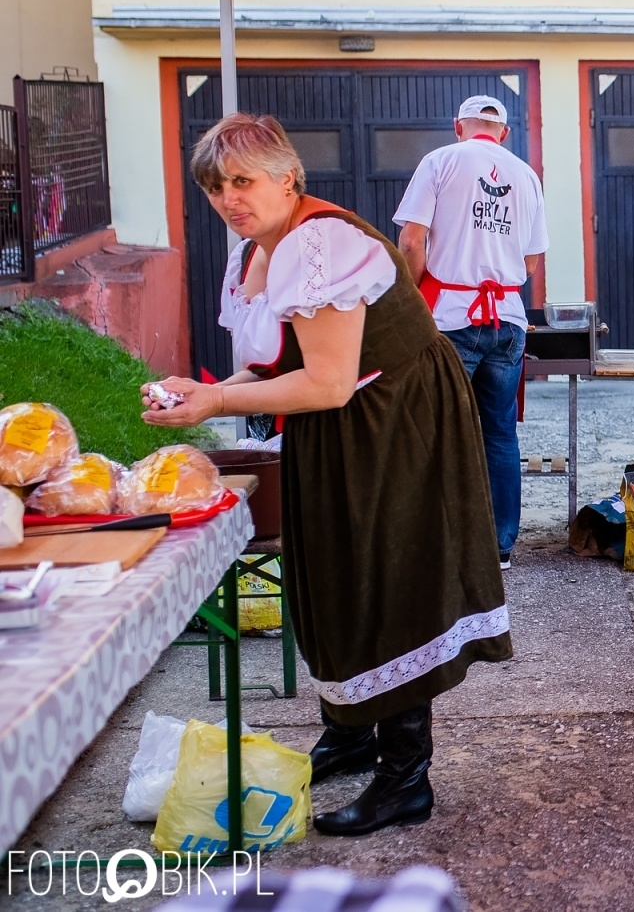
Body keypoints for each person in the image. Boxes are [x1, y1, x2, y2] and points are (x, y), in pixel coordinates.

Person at [144, 113, 512, 837]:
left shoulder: (322, 242)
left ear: (288, 177)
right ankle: (351, 731)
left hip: (393, 420)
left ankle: (406, 778)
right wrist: (209, 387)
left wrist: (219, 399)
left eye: (243, 181)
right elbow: (283, 360)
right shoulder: (261, 249)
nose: (229, 197)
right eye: (215, 186)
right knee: (331, 574)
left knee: (389, 580)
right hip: (337, 422)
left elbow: (330, 380)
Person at [394, 96, 548, 571]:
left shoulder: (439, 161)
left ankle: (439, 540)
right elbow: (530, 261)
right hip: (507, 319)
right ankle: (500, 547)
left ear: (459, 126)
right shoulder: (526, 175)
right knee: (499, 433)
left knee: (437, 431)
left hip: (451, 318)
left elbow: (411, 240)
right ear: (503, 132)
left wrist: (408, 296)